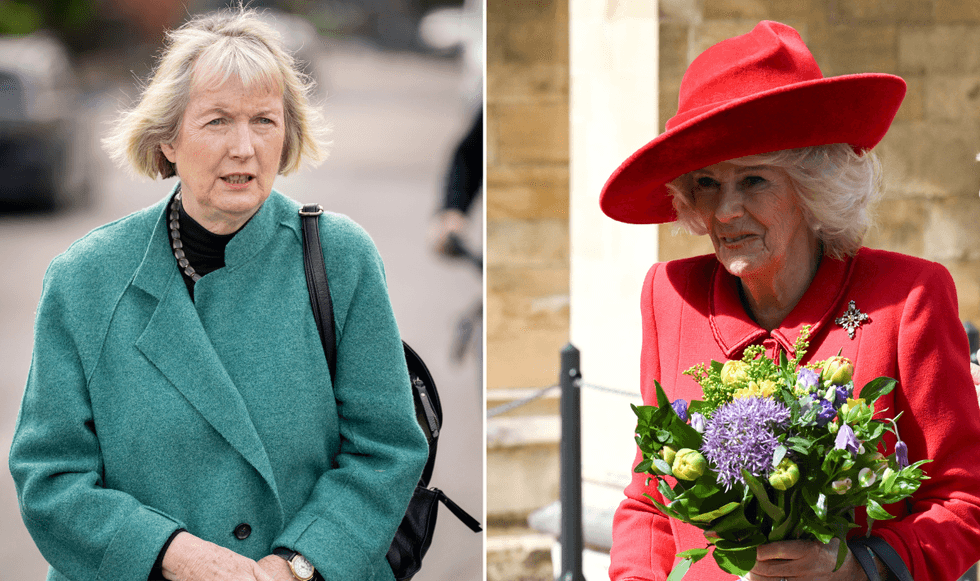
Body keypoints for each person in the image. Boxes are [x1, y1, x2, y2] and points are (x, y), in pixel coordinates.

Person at [8, 7, 428, 581]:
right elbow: (49, 476)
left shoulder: (340, 258)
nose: (245, 147)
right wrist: (171, 554)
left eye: (264, 121)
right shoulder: (84, 279)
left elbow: (386, 451)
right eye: (216, 122)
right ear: (168, 138)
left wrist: (296, 565)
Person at [600, 21, 980, 581]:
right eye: (706, 183)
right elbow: (651, 499)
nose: (725, 210)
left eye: (753, 181)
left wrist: (856, 567)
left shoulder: (907, 300)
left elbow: (965, 499)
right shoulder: (669, 295)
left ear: (812, 188)